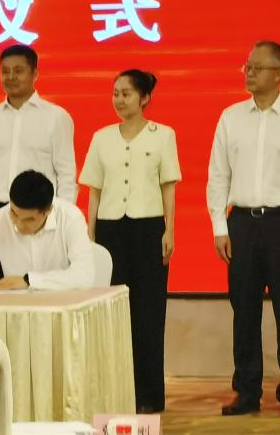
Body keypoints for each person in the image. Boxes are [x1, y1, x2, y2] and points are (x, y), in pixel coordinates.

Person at [206, 41, 280, 418]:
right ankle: (247, 391)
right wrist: (219, 226)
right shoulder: (230, 117)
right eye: (247, 66)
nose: (250, 72)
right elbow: (218, 176)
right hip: (241, 223)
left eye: (258, 67)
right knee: (244, 310)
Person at [79, 69, 180, 414]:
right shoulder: (101, 137)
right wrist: (90, 234)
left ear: (145, 97)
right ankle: (114, 391)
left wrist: (169, 230)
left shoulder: (163, 135)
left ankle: (148, 396)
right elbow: (94, 190)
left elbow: (168, 186)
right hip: (110, 231)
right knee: (112, 311)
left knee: (149, 312)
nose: (119, 100)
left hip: (149, 228)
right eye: (115, 93)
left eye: (126, 93)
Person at [0, 45, 76, 250]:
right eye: (5, 71)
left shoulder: (56, 117)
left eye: (18, 71)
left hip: (39, 213)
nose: (11, 77)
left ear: (35, 73)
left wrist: (61, 223)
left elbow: (66, 175)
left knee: (38, 271)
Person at [0, 170, 94, 290]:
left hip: (61, 303)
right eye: (14, 213)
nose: (19, 224)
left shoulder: (71, 218)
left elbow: (84, 276)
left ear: (48, 210)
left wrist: (28, 280)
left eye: (29, 219)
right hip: (16, 305)